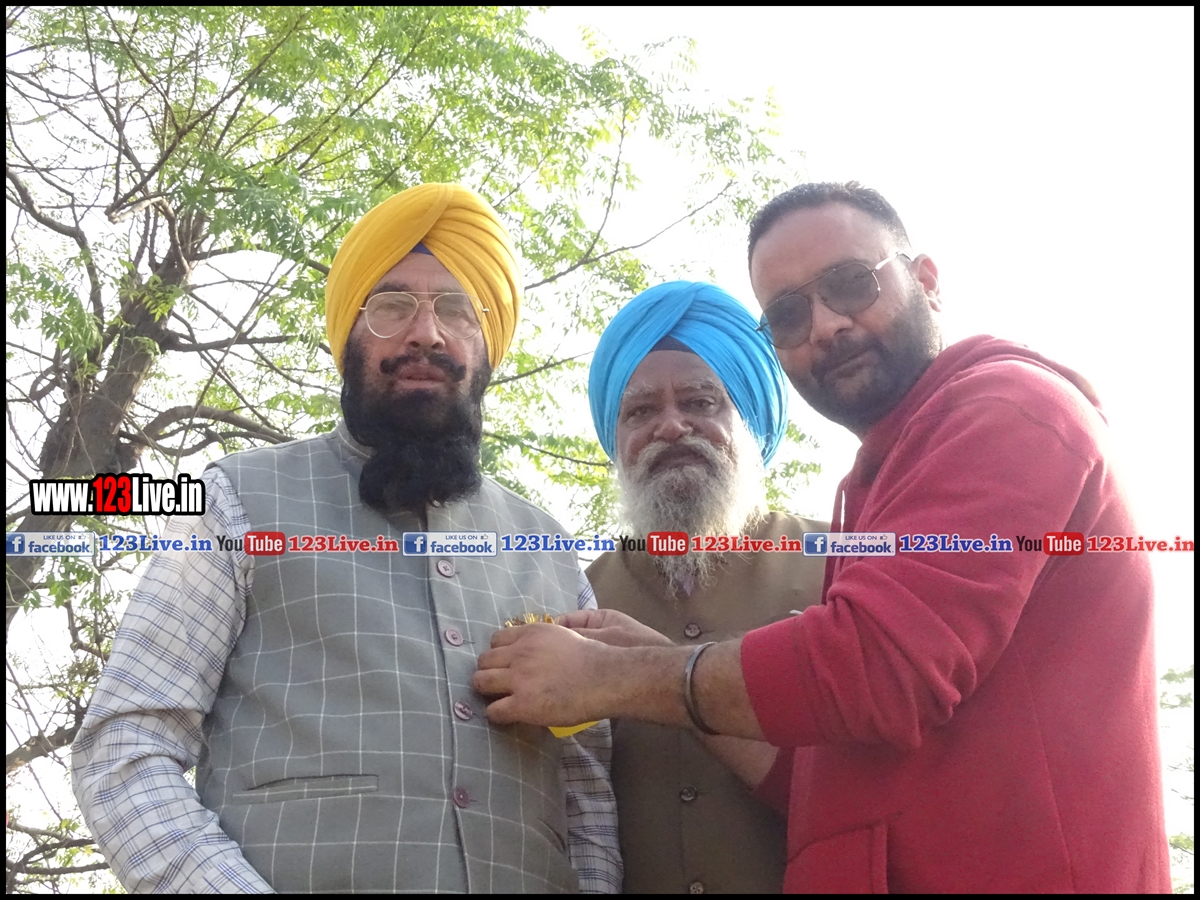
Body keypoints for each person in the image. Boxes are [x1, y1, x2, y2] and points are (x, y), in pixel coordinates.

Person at [475, 182, 1172, 892]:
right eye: (788, 314)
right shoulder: (875, 500)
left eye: (850, 282)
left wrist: (615, 678)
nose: (827, 325)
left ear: (927, 281)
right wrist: (648, 662)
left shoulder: (1006, 410)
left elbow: (879, 668)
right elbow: (824, 785)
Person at [72, 183, 620, 893]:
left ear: (488, 347)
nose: (426, 332)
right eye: (392, 306)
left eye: (457, 309)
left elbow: (588, 803)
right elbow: (125, 744)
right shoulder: (236, 500)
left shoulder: (549, 552)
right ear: (349, 337)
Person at [578, 281, 827, 893]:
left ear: (751, 424)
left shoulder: (844, 565)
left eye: (701, 402)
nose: (671, 427)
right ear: (616, 440)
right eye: (640, 411)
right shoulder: (576, 598)